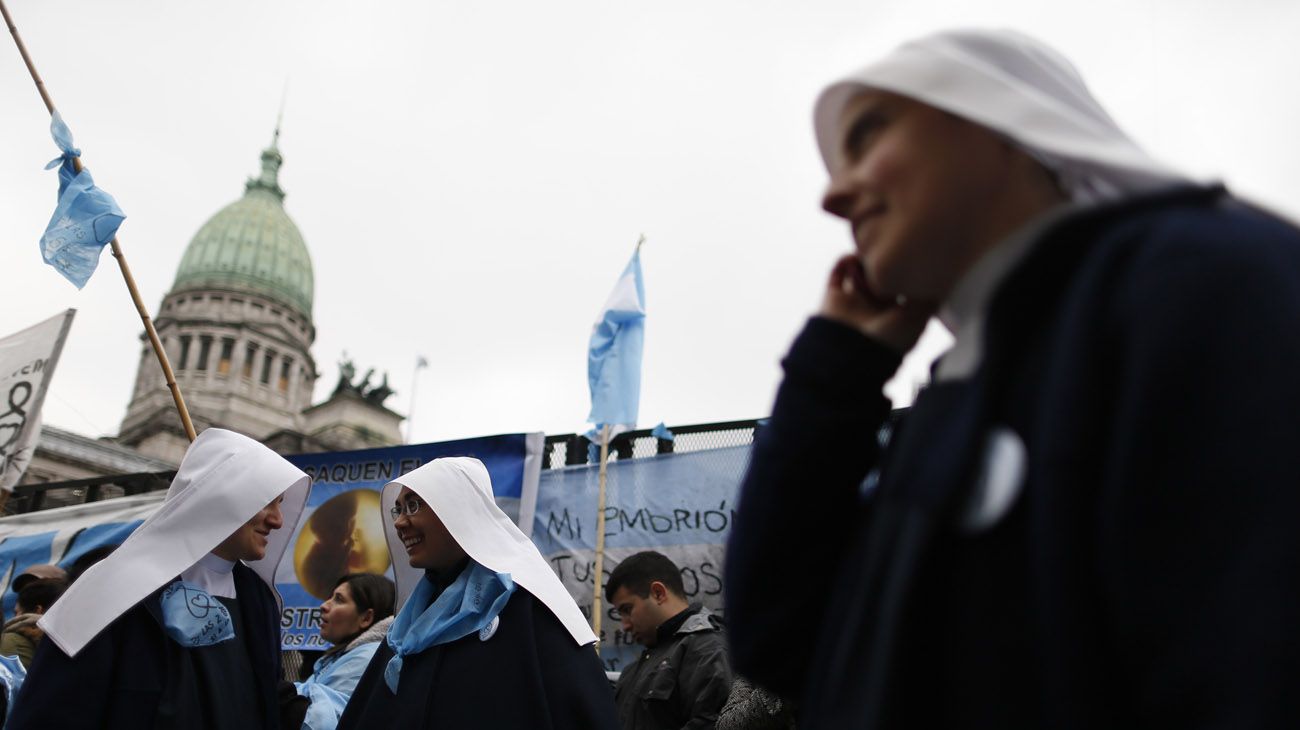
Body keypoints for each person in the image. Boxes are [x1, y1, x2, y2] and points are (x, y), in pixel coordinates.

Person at [725, 28, 1300, 729]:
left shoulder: (1206, 276)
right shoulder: (960, 392)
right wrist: (836, 373)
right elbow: (782, 642)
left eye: (868, 134)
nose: (834, 197)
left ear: (1001, 115)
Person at [8, 428, 310, 729]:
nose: (277, 520)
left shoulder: (256, 598)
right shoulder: (112, 588)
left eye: (281, 504)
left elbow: (262, 695)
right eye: (267, 502)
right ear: (223, 496)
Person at [337, 457, 618, 729]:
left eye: (413, 506)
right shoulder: (410, 620)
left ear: (457, 510)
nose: (399, 523)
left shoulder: (527, 607)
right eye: (398, 510)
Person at [606, 551, 732, 730]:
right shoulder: (636, 669)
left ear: (658, 593)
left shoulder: (706, 648)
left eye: (627, 609)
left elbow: (713, 722)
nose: (624, 625)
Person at [292, 573, 396, 730]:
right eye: (330, 597)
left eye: (339, 599)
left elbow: (319, 721)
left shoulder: (367, 658)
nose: (324, 606)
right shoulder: (345, 655)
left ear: (366, 618)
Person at [0, 579, 66, 668]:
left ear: (37, 611)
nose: (13, 619)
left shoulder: (10, 642)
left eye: (16, 613)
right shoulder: (78, 649)